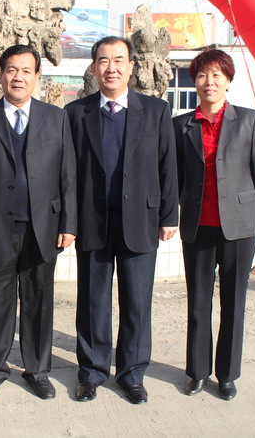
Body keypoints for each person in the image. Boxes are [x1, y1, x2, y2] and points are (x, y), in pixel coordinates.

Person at [65, 36, 178, 404]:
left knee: (137, 303)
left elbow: (168, 165)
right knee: (92, 303)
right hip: (93, 221)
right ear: (93, 67)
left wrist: (169, 215)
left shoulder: (156, 111)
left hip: (140, 220)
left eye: (118, 60)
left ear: (131, 66)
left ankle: (132, 374)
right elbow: (68, 174)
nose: (110, 68)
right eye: (103, 60)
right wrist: (68, 221)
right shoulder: (76, 113)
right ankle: (92, 372)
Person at [0, 45, 77, 400]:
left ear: (37, 76)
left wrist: (69, 223)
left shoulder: (56, 118)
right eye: (11, 70)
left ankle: (37, 370)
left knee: (39, 302)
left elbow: (68, 174)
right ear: (0, 75)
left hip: (43, 228)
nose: (18, 77)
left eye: (26, 71)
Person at [173, 49, 255, 400]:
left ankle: (227, 375)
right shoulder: (181, 125)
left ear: (228, 80)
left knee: (233, 303)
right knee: (198, 304)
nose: (209, 82)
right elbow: (176, 177)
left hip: (238, 231)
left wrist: (245, 216)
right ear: (194, 82)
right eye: (202, 75)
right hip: (198, 227)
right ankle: (197, 372)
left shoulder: (249, 120)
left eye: (216, 75)